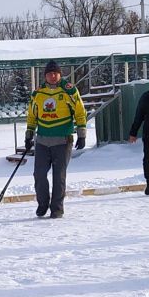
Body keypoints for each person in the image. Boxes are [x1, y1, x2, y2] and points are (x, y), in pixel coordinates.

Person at [24, 60, 87, 218]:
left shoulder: (69, 91)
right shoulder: (38, 93)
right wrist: (29, 134)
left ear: (60, 74)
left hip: (62, 140)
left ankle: (57, 208)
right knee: (39, 174)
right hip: (43, 141)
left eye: (55, 73)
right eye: (49, 73)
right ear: (45, 75)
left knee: (59, 176)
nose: (52, 76)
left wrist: (81, 134)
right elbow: (32, 115)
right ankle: (43, 204)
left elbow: (80, 111)